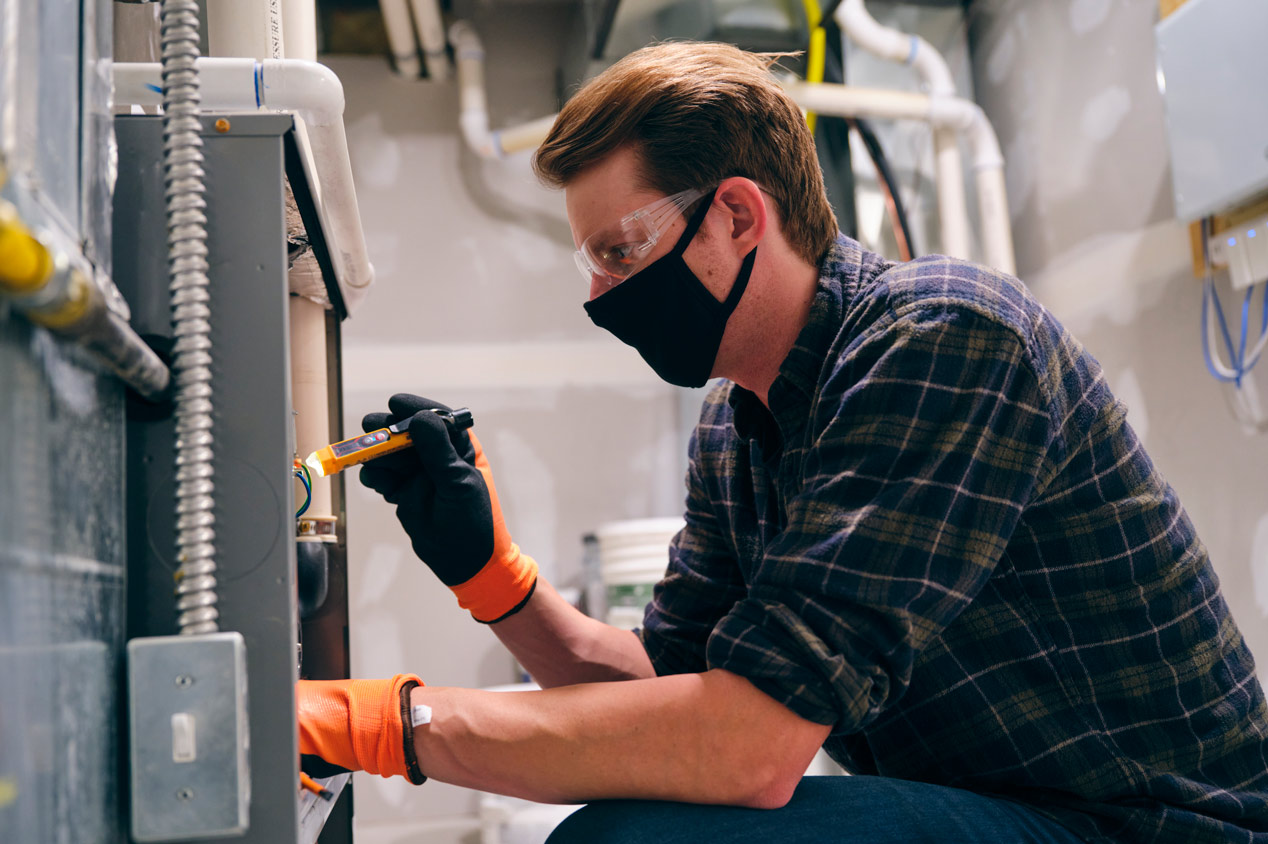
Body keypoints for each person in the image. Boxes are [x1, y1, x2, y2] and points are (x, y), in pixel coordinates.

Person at [296, 41, 1268, 843]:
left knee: (620, 843)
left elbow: (744, 750)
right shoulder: (739, 423)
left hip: (1149, 826)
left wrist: (381, 725)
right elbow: (669, 693)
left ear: (734, 215)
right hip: (1015, 811)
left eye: (619, 253)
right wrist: (493, 576)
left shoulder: (943, 339)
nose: (597, 296)